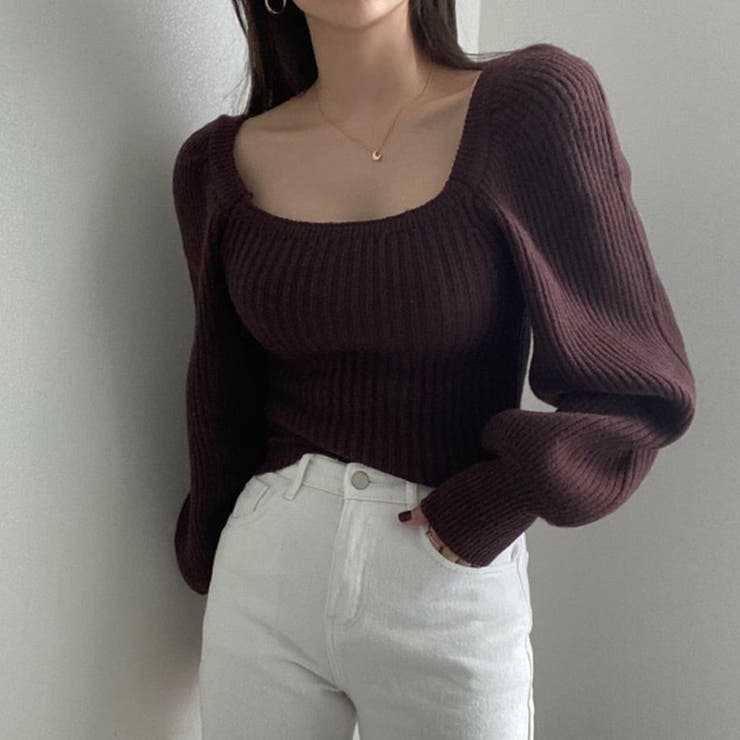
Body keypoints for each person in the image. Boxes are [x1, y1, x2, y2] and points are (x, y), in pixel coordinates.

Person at [171, 1, 697, 738]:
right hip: (265, 575)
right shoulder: (215, 166)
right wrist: (213, 557)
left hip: (445, 575)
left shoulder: (531, 105)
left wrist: (499, 499)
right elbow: (221, 395)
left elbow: (640, 384)